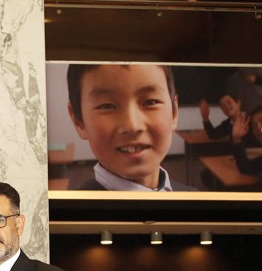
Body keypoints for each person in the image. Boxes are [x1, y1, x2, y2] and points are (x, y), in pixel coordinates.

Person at [66, 63, 194, 191]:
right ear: (78, 120)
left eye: (150, 102)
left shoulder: (195, 199)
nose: (132, 126)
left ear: (174, 111)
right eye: (106, 106)